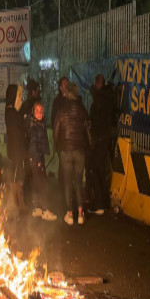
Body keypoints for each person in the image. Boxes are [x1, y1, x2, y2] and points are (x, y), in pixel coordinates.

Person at [53, 82, 90, 225]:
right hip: (80, 150)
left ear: (66, 93)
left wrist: (59, 147)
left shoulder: (61, 110)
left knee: (68, 182)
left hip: (66, 151)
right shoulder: (82, 109)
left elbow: (56, 131)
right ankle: (80, 213)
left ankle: (69, 214)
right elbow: (87, 128)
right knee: (78, 182)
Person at [87, 74, 115, 214]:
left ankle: (99, 204)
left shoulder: (101, 99)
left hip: (100, 139)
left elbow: (96, 118)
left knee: (94, 169)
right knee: (100, 170)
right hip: (105, 139)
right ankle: (104, 202)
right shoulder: (108, 98)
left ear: (98, 84)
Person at [26, 101, 57, 221]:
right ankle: (45, 210)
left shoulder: (38, 124)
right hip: (36, 158)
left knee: (36, 183)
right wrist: (38, 160)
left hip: (35, 158)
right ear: (33, 112)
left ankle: (36, 208)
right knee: (42, 184)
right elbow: (33, 145)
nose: (40, 113)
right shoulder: (35, 126)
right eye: (37, 111)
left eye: (41, 111)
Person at [4, 84, 26, 218]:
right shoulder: (11, 112)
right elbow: (17, 131)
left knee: (19, 176)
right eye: (19, 95)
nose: (21, 98)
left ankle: (20, 202)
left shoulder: (12, 111)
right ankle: (14, 203)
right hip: (16, 149)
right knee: (15, 177)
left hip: (17, 149)